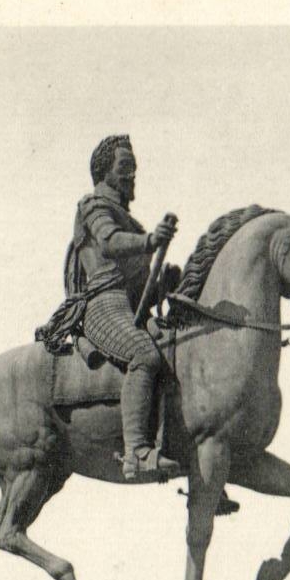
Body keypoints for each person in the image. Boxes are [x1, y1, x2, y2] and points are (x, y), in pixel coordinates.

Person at [65, 135, 182, 483]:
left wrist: (164, 285)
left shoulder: (131, 222)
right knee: (143, 355)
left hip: (131, 307)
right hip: (104, 305)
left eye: (134, 168)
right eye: (124, 167)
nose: (132, 175)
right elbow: (109, 243)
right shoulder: (93, 206)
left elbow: (139, 287)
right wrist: (150, 241)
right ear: (104, 171)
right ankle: (136, 454)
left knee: (179, 351)